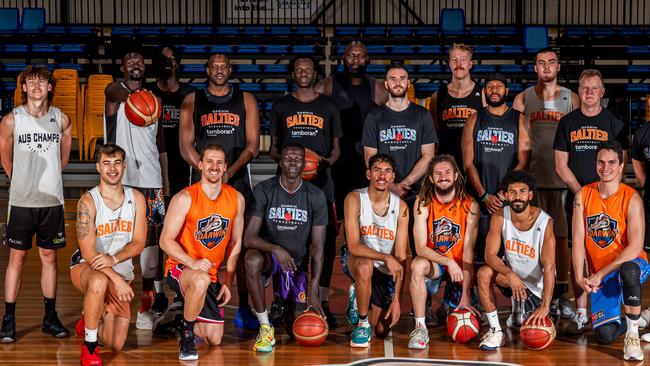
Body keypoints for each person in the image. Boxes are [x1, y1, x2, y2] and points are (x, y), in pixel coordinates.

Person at [179, 53, 260, 329]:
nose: (219, 70)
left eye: (224, 66)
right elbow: (185, 145)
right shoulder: (192, 100)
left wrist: (229, 171)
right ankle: (192, 299)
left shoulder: (245, 99)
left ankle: (245, 304)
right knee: (197, 240)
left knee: (240, 245)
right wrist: (206, 169)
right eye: (214, 66)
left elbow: (252, 145)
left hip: (235, 181)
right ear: (207, 69)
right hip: (202, 182)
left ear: (230, 69)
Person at [553, 69, 629, 334]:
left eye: (594, 88)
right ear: (579, 91)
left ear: (602, 92)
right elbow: (560, 165)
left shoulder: (614, 123)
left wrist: (603, 192)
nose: (589, 92)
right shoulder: (567, 122)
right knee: (579, 253)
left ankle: (612, 306)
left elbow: (621, 163)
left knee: (610, 247)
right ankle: (581, 312)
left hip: (609, 200)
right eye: (585, 87)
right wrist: (582, 194)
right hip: (578, 199)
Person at [0, 65, 72, 342]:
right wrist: (18, 178)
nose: (37, 86)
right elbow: (5, 157)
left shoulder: (61, 119)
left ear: (50, 87)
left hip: (51, 201)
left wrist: (55, 171)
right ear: (24, 89)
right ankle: (8, 320)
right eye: (31, 82)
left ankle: (50, 318)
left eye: (42, 81)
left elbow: (63, 156)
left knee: (50, 258)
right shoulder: (11, 120)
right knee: (16, 258)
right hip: (21, 201)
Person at [269, 55, 342, 328]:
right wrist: (293, 165)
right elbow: (273, 149)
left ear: (315, 74)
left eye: (308, 70)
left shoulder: (329, 106)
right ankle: (285, 299)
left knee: (324, 243)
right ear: (292, 73)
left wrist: (318, 164)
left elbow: (336, 151)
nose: (303, 73)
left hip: (322, 184)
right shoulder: (281, 105)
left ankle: (321, 300)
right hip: (288, 185)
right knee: (287, 239)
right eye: (299, 69)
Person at [513, 48, 581, 321]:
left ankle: (562, 294)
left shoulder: (571, 98)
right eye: (541, 63)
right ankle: (534, 294)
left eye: (551, 62)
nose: (546, 67)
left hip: (561, 181)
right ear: (535, 68)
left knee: (561, 240)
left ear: (558, 66)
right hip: (531, 181)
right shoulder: (523, 98)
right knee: (530, 240)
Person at [160, 144, 245, 360]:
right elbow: (165, 241)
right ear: (200, 165)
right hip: (180, 268)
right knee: (199, 279)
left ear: (225, 166)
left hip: (210, 274)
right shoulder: (184, 198)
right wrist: (192, 262)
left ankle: (179, 319)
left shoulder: (236, 199)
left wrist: (228, 282)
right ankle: (187, 337)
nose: (214, 166)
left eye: (219, 162)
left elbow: (236, 243)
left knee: (214, 338)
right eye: (209, 161)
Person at [244, 143, 328, 353]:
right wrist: (276, 249)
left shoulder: (315, 195)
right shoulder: (265, 190)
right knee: (251, 259)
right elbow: (248, 238)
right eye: (288, 158)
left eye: (298, 159)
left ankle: (281, 301)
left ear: (304, 163)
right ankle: (264, 326)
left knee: (295, 329)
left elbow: (318, 248)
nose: (293, 162)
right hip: (270, 258)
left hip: (295, 264)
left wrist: (315, 291)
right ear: (280, 162)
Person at [104, 50, 167, 329]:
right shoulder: (114, 96)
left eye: (139, 60)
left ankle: (146, 305)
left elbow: (162, 147)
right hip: (123, 181)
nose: (135, 63)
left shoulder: (155, 101)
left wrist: (165, 182)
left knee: (151, 246)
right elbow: (113, 90)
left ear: (145, 66)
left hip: (152, 181)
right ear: (123, 66)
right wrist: (133, 98)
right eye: (129, 60)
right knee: (119, 243)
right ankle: (111, 301)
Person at [71, 143, 146, 365]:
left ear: (124, 166)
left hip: (120, 272)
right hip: (87, 268)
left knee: (115, 343)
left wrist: (113, 261)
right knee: (99, 281)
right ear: (98, 167)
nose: (112, 169)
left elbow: (139, 242)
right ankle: (90, 345)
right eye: (106, 163)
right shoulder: (88, 201)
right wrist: (115, 278)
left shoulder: (137, 199)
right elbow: (88, 252)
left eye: (117, 163)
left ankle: (88, 319)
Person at [572, 141, 647, 361]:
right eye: (601, 162)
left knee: (629, 271)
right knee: (604, 336)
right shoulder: (582, 196)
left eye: (612, 163)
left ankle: (632, 336)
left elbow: (636, 247)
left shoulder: (632, 198)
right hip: (600, 275)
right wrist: (579, 277)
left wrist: (601, 273)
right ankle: (637, 318)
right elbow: (577, 241)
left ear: (622, 166)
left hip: (632, 265)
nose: (606, 168)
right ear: (595, 164)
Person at [362, 64, 437, 257]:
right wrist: (391, 185)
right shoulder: (374, 116)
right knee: (385, 249)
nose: (398, 82)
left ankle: (419, 287)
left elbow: (429, 155)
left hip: (416, 193)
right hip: (384, 194)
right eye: (393, 79)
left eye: (402, 78)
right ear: (386, 84)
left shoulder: (422, 115)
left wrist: (405, 183)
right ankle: (382, 287)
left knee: (420, 248)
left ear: (408, 83)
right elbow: (370, 158)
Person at [477, 170, 556, 351]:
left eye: (522, 191)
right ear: (505, 195)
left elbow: (550, 267)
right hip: (511, 279)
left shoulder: (544, 222)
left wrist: (545, 305)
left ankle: (531, 307)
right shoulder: (499, 216)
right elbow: (489, 255)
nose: (517, 196)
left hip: (536, 288)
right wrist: (510, 274)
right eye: (512, 192)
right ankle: (496, 330)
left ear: (530, 194)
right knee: (483, 273)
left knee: (534, 335)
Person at [408, 155, 480, 349]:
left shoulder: (470, 205)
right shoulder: (422, 203)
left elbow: (468, 252)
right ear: (431, 178)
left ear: (456, 175)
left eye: (447, 172)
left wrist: (466, 292)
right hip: (437, 264)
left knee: (462, 317)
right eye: (437, 173)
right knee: (417, 264)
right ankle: (420, 327)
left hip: (460, 265)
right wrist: (448, 262)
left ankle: (448, 304)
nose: (443, 176)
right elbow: (420, 248)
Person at [315, 41, 388, 219]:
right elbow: (311, 110)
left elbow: (390, 123)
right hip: (335, 158)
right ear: (343, 58)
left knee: (364, 210)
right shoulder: (327, 85)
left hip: (365, 157)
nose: (355, 59)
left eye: (360, 55)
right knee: (335, 210)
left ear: (368, 59)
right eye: (351, 55)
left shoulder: (377, 88)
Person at [341, 153, 408, 348]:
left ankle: (358, 299)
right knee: (365, 265)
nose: (382, 176)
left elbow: (401, 258)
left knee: (380, 330)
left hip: (385, 269)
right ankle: (361, 324)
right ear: (368, 174)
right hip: (357, 260)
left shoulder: (401, 207)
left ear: (393, 177)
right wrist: (386, 257)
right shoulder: (354, 198)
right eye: (377, 170)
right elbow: (353, 246)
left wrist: (397, 300)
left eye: (387, 171)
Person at [429, 43, 485, 168]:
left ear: (470, 64)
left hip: (475, 162)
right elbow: (435, 135)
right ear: (449, 64)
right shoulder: (437, 96)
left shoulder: (482, 94)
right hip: (446, 162)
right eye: (454, 60)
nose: (458, 64)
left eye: (463, 60)